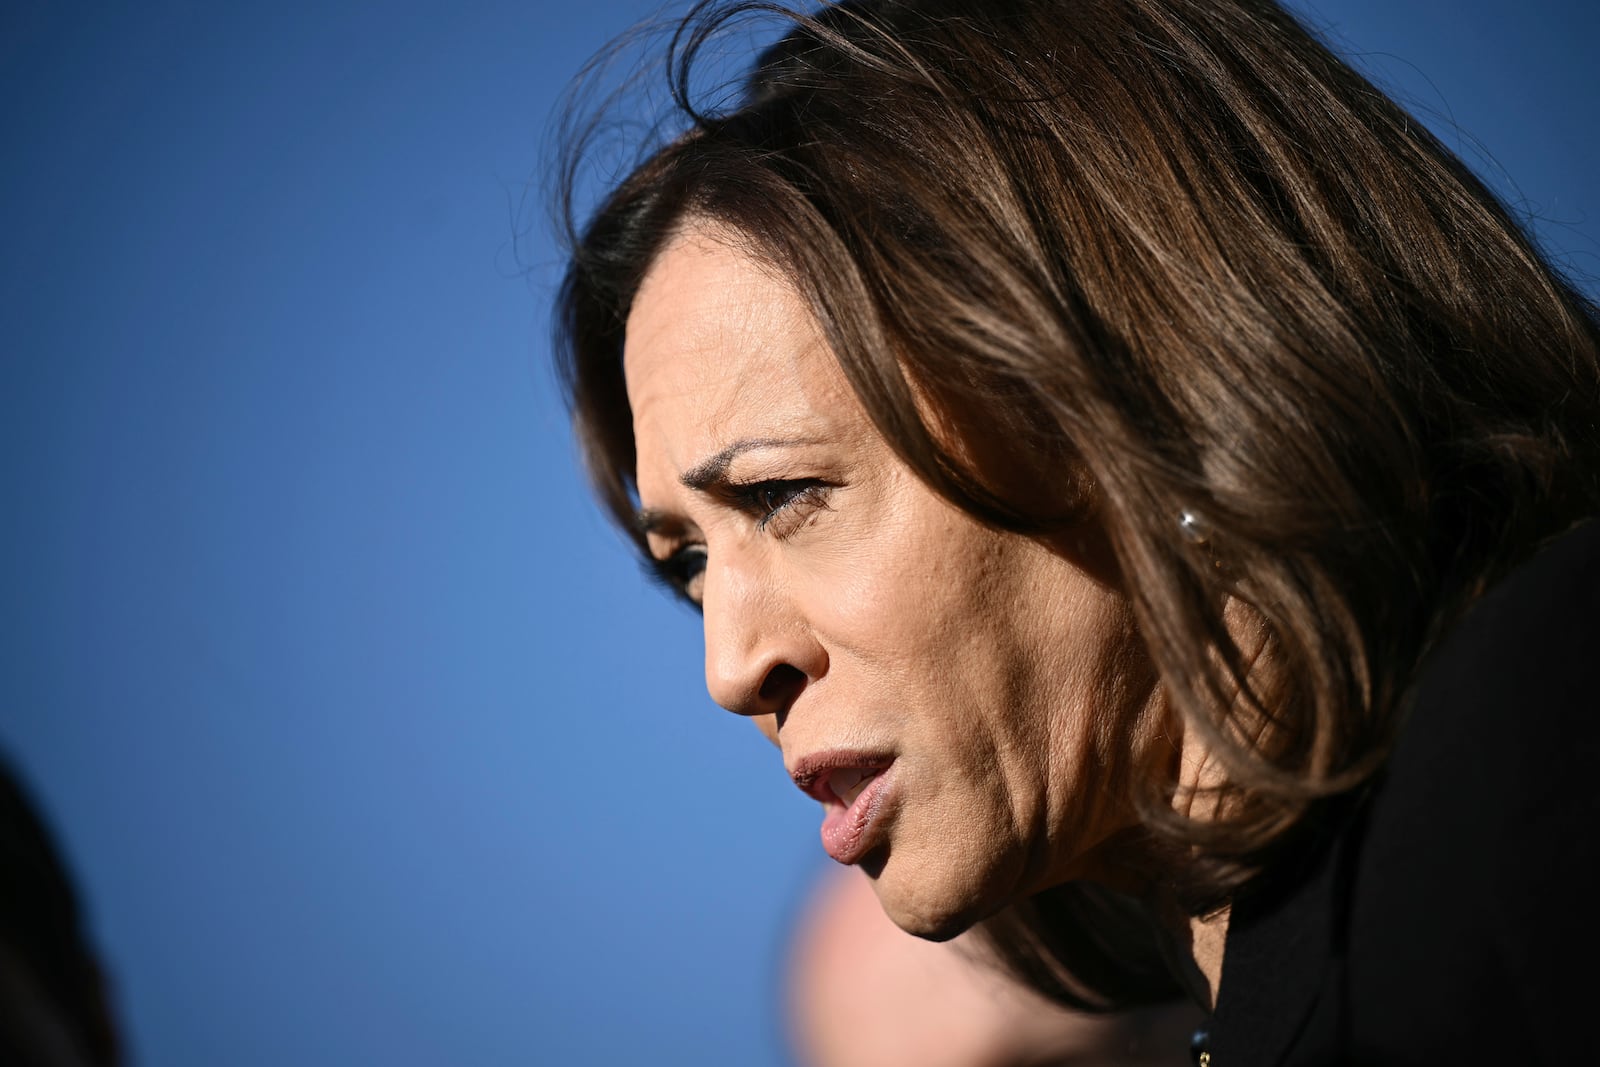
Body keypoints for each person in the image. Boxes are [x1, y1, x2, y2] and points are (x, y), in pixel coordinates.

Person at [552, 1, 1600, 1062]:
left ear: (1139, 399)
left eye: (782, 495)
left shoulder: (1546, 720)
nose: (730, 670)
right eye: (688, 563)